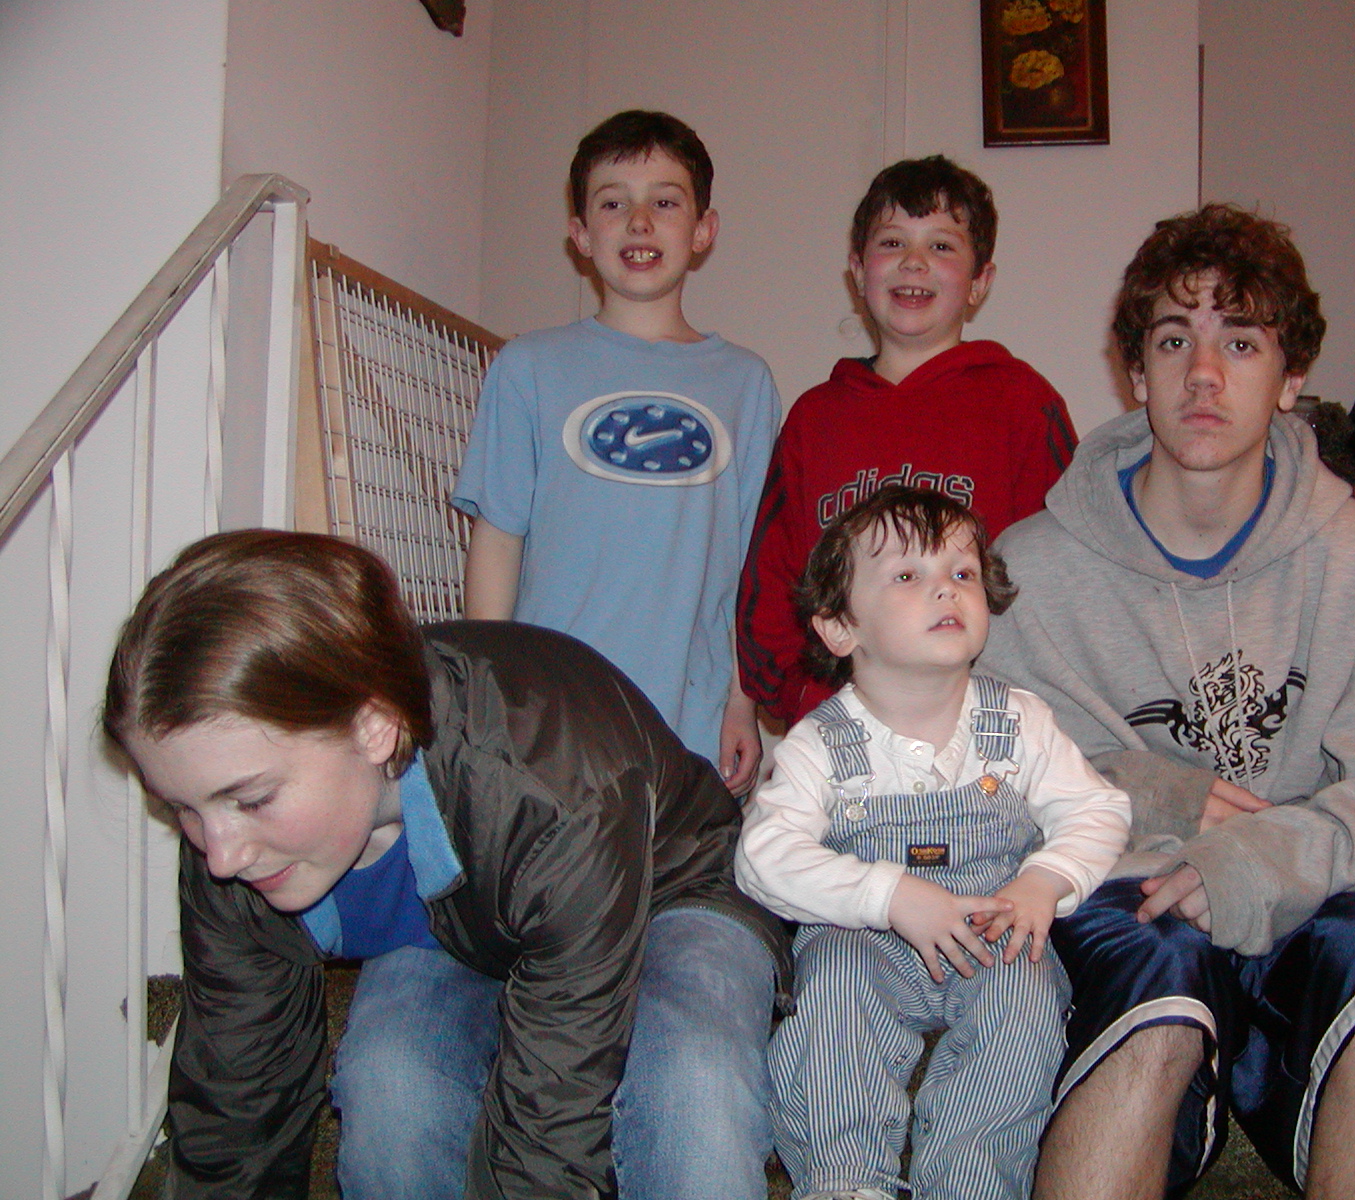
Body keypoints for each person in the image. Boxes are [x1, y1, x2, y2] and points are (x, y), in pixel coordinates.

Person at [980, 204, 1355, 1200]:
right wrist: (1162, 797)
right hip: (1133, 907)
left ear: (1291, 379)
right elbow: (995, 774)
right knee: (1153, 986)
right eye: (1172, 341)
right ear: (1135, 372)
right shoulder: (1033, 569)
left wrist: (1257, 860)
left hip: (1306, 899)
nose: (1203, 374)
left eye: (1240, 342)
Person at [103, 530, 789, 1200]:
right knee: (391, 1084)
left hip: (672, 885)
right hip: (468, 924)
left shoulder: (551, 792)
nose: (219, 854)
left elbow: (550, 1119)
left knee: (694, 1083)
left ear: (375, 727)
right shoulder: (229, 831)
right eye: (181, 808)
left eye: (252, 800)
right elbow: (238, 1090)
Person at [736, 486, 1129, 1200]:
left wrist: (1046, 879)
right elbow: (763, 857)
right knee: (834, 991)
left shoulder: (1020, 722)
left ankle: (971, 1178)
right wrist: (888, 895)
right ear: (840, 628)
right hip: (865, 939)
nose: (946, 588)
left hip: (991, 930)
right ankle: (845, 1177)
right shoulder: (820, 745)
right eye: (907, 575)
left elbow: (1097, 809)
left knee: (1026, 1001)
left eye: (962, 571)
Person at [453, 109, 779, 792]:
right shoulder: (527, 366)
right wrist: (489, 687)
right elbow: (498, 538)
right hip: (549, 709)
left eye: (665, 202)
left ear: (703, 230)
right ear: (580, 234)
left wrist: (742, 702)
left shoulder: (745, 383)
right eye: (612, 203)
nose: (638, 221)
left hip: (689, 714)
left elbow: (755, 563)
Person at [737, 155, 1077, 728]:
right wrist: (798, 697)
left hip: (982, 733)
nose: (914, 262)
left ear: (980, 282)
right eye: (892, 242)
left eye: (941, 246)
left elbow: (1062, 575)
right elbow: (773, 577)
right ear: (857, 270)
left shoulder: (1022, 404)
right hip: (839, 731)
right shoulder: (815, 419)